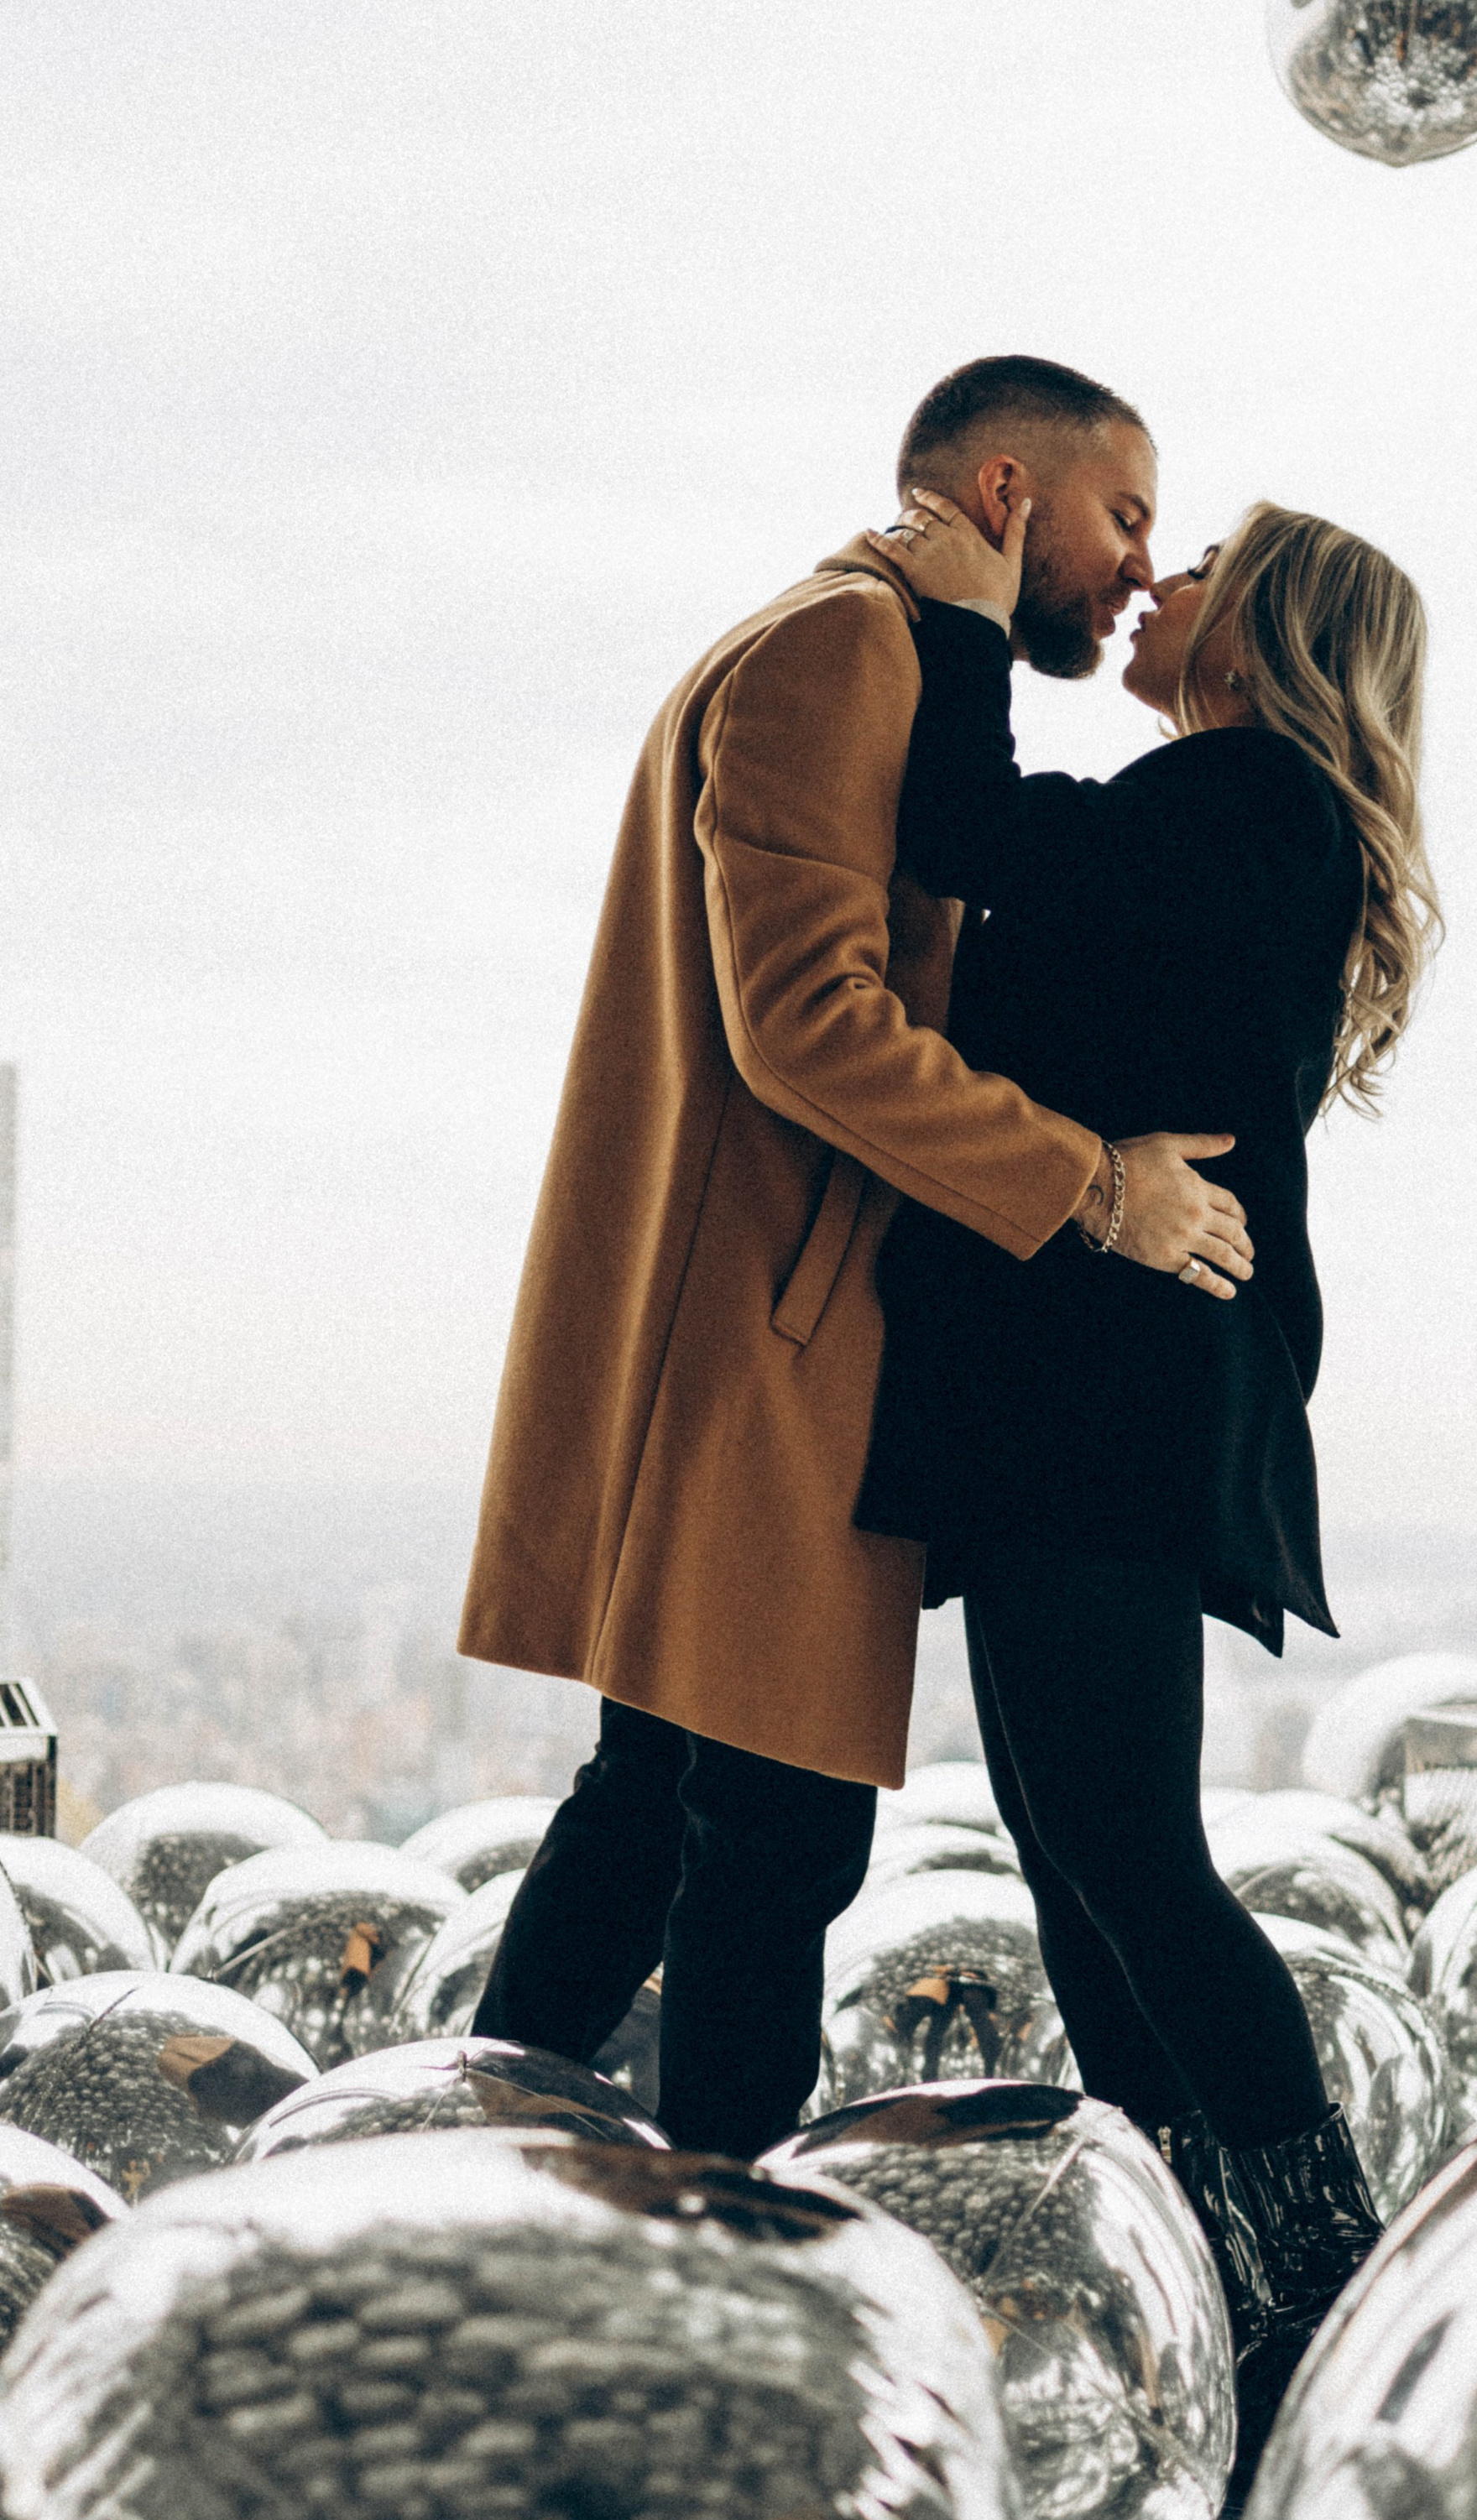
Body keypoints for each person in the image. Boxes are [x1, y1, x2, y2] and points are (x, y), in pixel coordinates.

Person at [457, 357, 1258, 2159]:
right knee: (764, 1839)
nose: (1140, 567)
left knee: (661, 1805)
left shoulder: (863, 647)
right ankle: (718, 2258)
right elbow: (808, 1022)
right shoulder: (846, 652)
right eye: (1121, 515)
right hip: (763, 1339)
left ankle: (476, 2180)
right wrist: (1089, 1186)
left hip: (765, 1323)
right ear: (1002, 495)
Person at [856, 481, 1441, 2459]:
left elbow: (967, 832)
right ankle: (1212, 2273)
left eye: (1196, 567)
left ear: (1266, 630)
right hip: (1092, 1385)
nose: (1155, 581)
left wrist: (947, 614)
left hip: (1102, 1392)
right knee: (1082, 1856)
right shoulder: (1241, 818)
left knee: (1128, 1861)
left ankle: (1324, 2303)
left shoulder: (1247, 796)